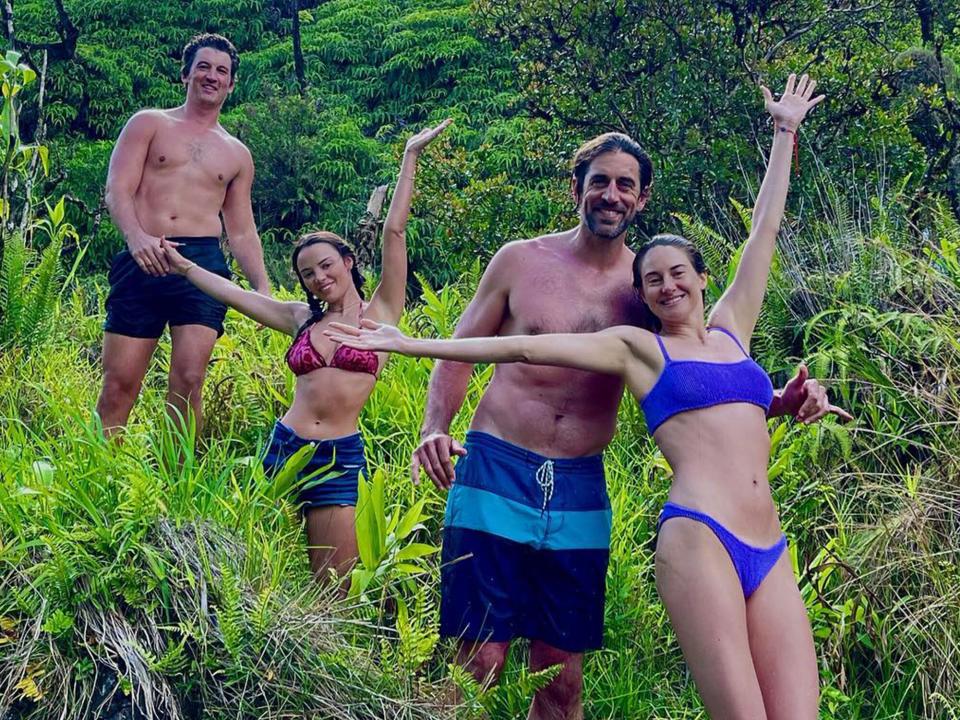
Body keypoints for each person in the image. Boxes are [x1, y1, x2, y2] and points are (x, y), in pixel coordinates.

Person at [328, 77, 849, 719]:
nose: (611, 194)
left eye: (625, 184)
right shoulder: (522, 261)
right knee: (478, 664)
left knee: (562, 681)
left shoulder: (644, 291)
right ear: (577, 189)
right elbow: (485, 347)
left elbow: (701, 375)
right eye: (599, 181)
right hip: (498, 463)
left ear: (642, 198)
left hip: (579, 484)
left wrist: (777, 400)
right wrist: (434, 420)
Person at [160, 120, 451, 581]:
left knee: (332, 581)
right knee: (251, 570)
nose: (319, 278)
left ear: (348, 263)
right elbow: (234, 294)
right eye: (308, 273)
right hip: (283, 445)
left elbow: (394, 233)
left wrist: (410, 157)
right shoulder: (301, 318)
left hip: (337, 454)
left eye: (326, 265)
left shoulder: (381, 314)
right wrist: (183, 267)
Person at [96, 33, 271, 438]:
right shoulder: (149, 123)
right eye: (204, 67)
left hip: (202, 265)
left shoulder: (237, 153)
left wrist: (261, 286)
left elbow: (241, 229)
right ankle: (103, 477)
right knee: (120, 383)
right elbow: (117, 190)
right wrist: (136, 237)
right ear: (186, 74)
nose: (212, 76)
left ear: (232, 84)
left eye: (221, 71)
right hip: (144, 255)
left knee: (189, 379)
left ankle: (178, 485)